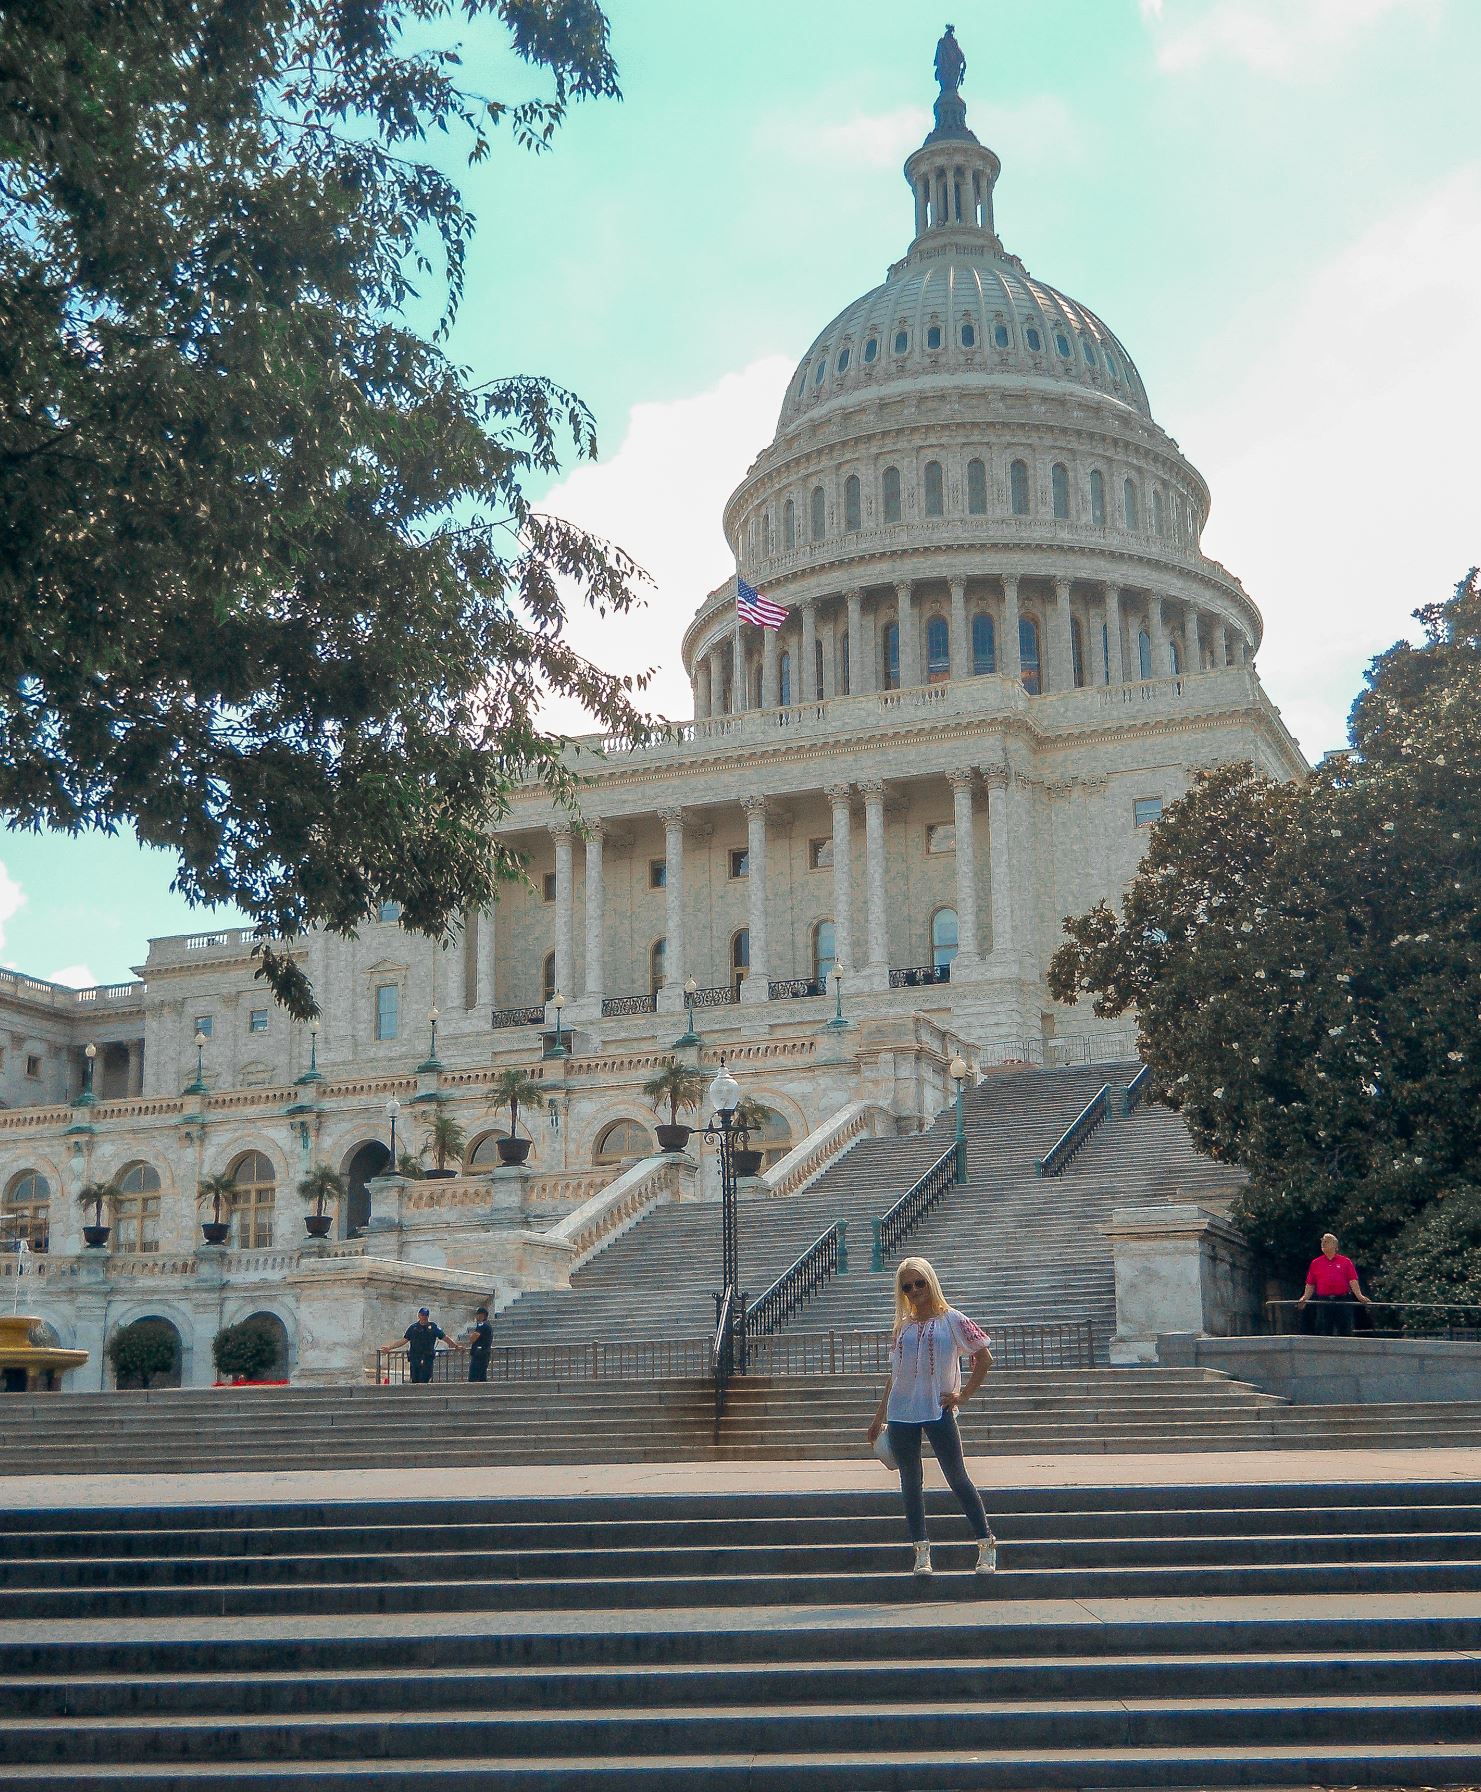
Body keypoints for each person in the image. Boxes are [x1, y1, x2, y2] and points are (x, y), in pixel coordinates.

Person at [866, 1255, 997, 1577]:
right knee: (910, 1481)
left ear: (931, 1282)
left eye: (920, 1283)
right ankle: (921, 1552)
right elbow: (894, 1374)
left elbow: (984, 1358)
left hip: (937, 1409)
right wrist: (878, 1415)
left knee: (957, 1477)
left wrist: (963, 1395)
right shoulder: (903, 1326)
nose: (915, 1290)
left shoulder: (951, 1319)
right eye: (907, 1286)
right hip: (902, 1412)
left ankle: (986, 1544)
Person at [1296, 1234, 1373, 1335]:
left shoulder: (1345, 1262)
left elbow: (1352, 1280)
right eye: (1322, 1241)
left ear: (1335, 1246)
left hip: (1342, 1300)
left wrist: (1359, 1295)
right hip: (1324, 1301)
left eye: (1327, 1241)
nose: (1323, 1243)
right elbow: (1310, 1283)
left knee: (1344, 1329)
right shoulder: (1316, 1263)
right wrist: (1305, 1298)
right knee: (1324, 1329)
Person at [395, 1307, 449, 1384]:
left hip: (427, 1358)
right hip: (415, 1358)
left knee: (425, 1379)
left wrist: (456, 1346)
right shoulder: (413, 1328)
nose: (424, 1317)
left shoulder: (433, 1327)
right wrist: (390, 1347)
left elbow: (444, 1337)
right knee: (415, 1379)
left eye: (426, 1315)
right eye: (422, 1315)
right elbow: (404, 1340)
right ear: (419, 1315)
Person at [466, 1306, 493, 1382]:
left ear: (482, 1315)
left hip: (479, 1354)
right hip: (484, 1354)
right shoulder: (487, 1325)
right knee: (481, 1377)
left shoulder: (482, 1325)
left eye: (478, 1315)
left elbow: (473, 1338)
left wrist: (471, 1337)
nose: (476, 1317)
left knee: (474, 1377)